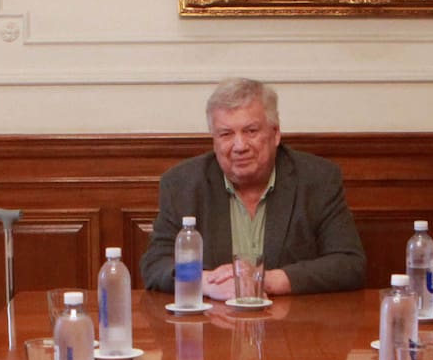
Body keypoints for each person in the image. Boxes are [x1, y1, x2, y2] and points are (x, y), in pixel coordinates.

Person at [140, 78, 366, 299]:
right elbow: (155, 264)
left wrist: (263, 280)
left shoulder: (317, 179)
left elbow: (349, 263)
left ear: (275, 133)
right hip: (213, 327)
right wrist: (205, 282)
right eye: (226, 134)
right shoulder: (182, 184)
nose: (239, 146)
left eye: (250, 131)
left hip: (292, 326)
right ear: (214, 140)